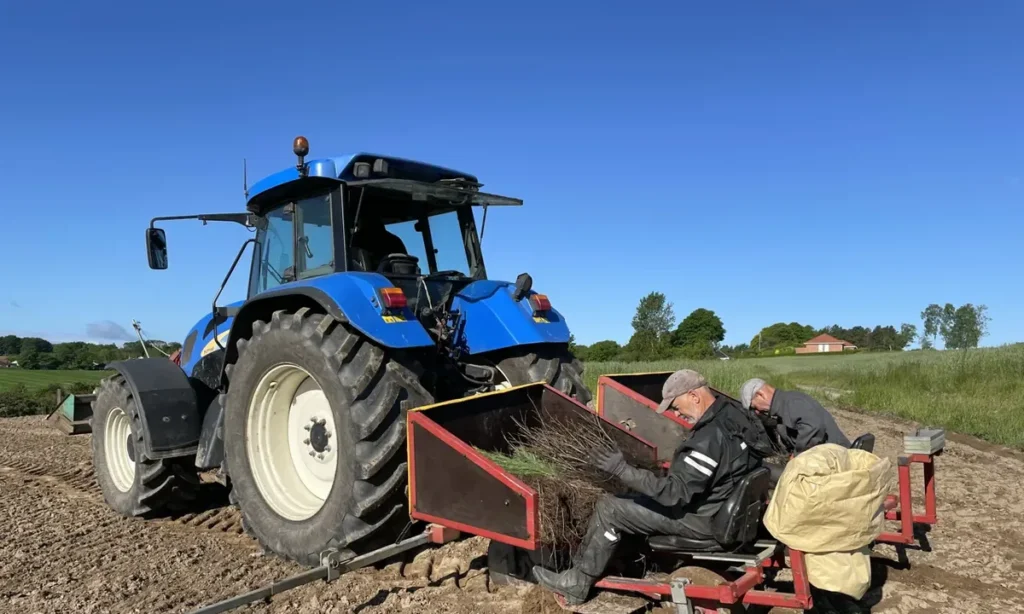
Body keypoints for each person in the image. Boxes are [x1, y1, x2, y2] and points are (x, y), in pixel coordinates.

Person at [532, 369, 775, 605]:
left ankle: (577, 581)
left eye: (677, 407)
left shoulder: (707, 440)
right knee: (638, 495)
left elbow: (674, 494)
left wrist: (622, 470)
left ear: (694, 396)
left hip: (702, 520)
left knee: (611, 507)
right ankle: (618, 558)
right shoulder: (734, 415)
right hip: (724, 508)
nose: (678, 415)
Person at [739, 378, 851, 456]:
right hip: (831, 453)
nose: (757, 412)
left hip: (837, 456)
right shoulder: (786, 402)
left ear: (760, 395)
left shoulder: (792, 402)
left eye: (754, 407)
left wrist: (798, 455)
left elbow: (813, 427)